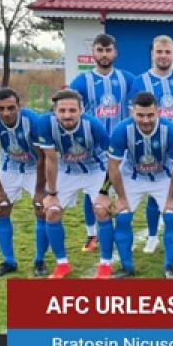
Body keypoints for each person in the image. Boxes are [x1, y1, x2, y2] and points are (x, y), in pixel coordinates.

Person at [32, 90, 111, 279]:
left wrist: (104, 191)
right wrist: (51, 193)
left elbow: (113, 160)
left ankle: (106, 264)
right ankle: (62, 264)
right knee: (51, 212)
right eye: (62, 110)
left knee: (101, 210)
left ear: (81, 110)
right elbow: (50, 159)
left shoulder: (93, 124)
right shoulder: (44, 123)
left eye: (72, 110)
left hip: (96, 170)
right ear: (54, 111)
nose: (67, 115)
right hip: (67, 171)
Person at [106, 92, 173, 278]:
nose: (145, 120)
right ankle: (126, 267)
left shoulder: (170, 131)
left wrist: (172, 198)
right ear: (132, 112)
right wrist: (121, 198)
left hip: (162, 177)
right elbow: (113, 166)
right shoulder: (121, 130)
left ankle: (169, 267)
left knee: (172, 217)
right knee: (122, 217)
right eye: (140, 115)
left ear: (158, 112)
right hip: (133, 177)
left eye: (150, 115)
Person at [128, 35, 173, 255]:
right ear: (152, 54)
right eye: (159, 52)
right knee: (152, 190)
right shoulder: (140, 81)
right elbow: (134, 114)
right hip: (151, 145)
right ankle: (151, 237)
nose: (163, 56)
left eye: (167, 52)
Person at [67, 33, 135, 253]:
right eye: (100, 50)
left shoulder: (127, 78)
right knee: (93, 193)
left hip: (121, 147)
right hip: (92, 149)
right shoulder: (81, 81)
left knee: (125, 191)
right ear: (93, 53)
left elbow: (147, 92)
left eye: (108, 50)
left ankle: (126, 232)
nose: (104, 54)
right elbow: (66, 106)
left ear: (115, 52)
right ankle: (92, 234)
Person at [0, 87, 48, 278]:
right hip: (10, 167)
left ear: (19, 106)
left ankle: (39, 260)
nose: (6, 113)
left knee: (42, 209)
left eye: (10, 108)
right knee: (1, 208)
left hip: (35, 168)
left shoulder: (34, 121)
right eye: (0, 108)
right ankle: (8, 261)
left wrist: (40, 190)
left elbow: (43, 158)